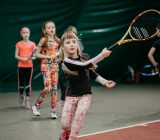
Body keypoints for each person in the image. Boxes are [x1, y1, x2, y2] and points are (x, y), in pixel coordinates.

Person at [59, 32, 116, 140]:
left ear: (77, 44)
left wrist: (104, 82)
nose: (71, 44)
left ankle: (72, 138)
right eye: (67, 42)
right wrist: (102, 55)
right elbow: (84, 65)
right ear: (63, 46)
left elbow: (90, 72)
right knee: (65, 125)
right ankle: (67, 133)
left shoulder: (85, 57)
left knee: (79, 117)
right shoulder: (66, 61)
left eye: (73, 41)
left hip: (86, 95)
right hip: (71, 95)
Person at [31, 21, 60, 119]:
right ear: (45, 30)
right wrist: (48, 56)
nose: (52, 29)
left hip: (55, 66)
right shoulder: (43, 40)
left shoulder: (58, 41)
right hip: (45, 66)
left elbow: (60, 54)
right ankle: (36, 106)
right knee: (47, 88)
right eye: (49, 28)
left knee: (54, 89)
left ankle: (53, 111)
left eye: (53, 27)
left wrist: (58, 58)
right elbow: (36, 54)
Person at [59, 26, 83, 106]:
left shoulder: (77, 43)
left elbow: (80, 53)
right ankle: (63, 99)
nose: (74, 33)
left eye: (75, 32)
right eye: (72, 32)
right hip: (65, 67)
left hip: (76, 66)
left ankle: (77, 100)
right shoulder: (64, 44)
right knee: (63, 83)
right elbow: (61, 55)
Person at [15, 27, 36, 109]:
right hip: (20, 66)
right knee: (20, 84)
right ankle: (21, 97)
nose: (25, 34)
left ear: (29, 33)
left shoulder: (33, 44)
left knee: (28, 84)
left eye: (27, 32)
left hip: (29, 67)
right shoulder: (18, 44)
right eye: (23, 32)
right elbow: (16, 56)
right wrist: (22, 59)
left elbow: (34, 56)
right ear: (21, 34)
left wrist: (31, 58)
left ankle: (27, 100)